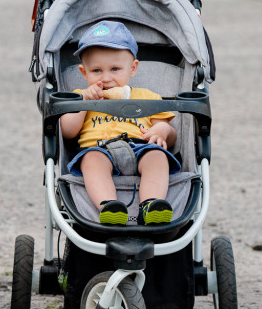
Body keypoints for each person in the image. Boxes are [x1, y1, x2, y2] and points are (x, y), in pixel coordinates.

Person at [59, 20, 178, 226]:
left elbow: (169, 131)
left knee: (158, 156)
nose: (106, 78)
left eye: (115, 69)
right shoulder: (80, 97)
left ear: (132, 68)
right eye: (96, 71)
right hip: (99, 149)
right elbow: (68, 131)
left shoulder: (147, 96)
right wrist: (84, 103)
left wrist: (161, 130)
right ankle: (110, 206)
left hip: (140, 146)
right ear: (83, 72)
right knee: (91, 160)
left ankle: (151, 205)